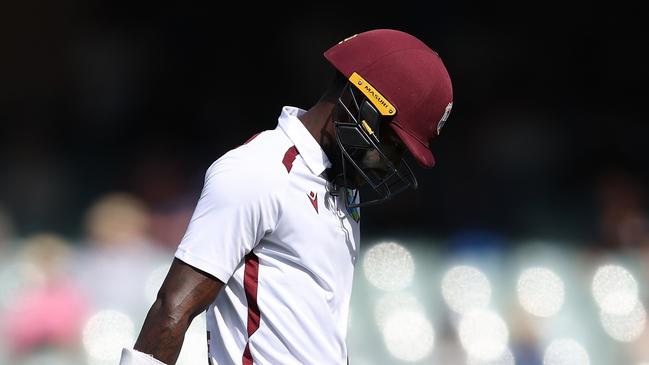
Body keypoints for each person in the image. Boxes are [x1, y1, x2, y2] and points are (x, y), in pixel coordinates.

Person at [119, 28, 453, 365]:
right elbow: (172, 309)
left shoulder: (339, 190)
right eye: (391, 141)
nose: (389, 160)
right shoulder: (259, 171)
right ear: (359, 101)